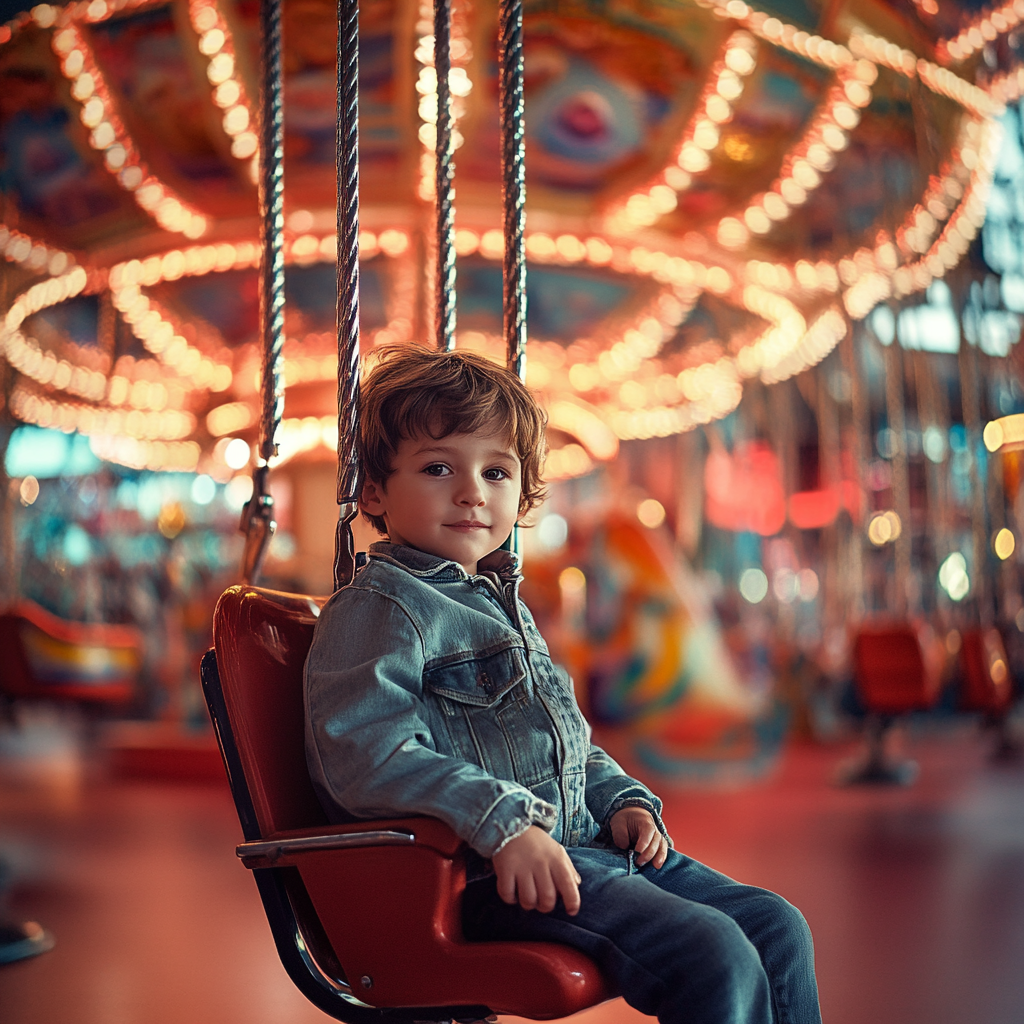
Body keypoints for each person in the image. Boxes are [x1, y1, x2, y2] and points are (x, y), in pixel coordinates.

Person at [304, 345, 821, 1024]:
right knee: (713, 951)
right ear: (374, 491)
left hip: (582, 845)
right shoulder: (381, 608)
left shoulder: (502, 604)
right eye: (438, 469)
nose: (472, 492)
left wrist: (622, 801)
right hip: (486, 873)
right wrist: (505, 826)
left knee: (777, 924)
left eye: (496, 471)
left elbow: (561, 738)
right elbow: (365, 752)